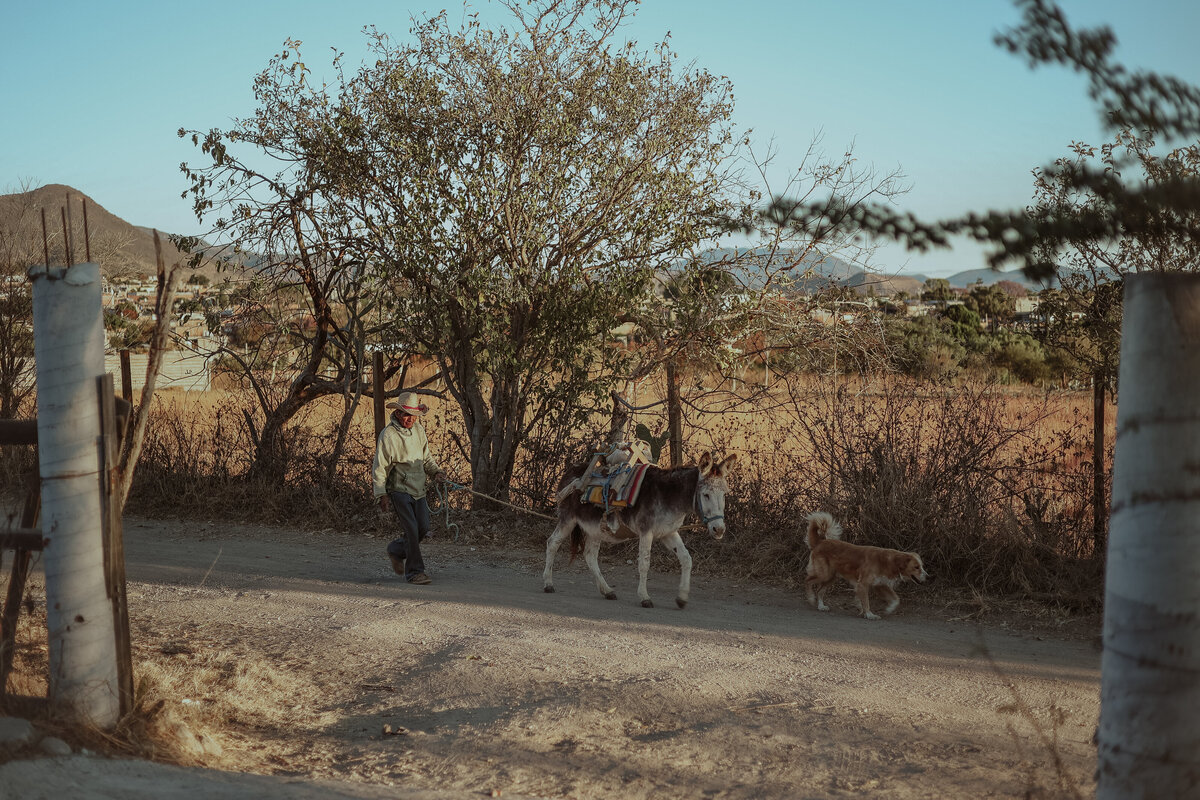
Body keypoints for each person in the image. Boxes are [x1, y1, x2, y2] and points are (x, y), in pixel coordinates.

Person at [372, 391, 446, 585]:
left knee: (422, 528)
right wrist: (381, 494)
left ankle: (396, 550)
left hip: (419, 489)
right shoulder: (388, 435)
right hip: (399, 489)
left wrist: (436, 472)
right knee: (412, 530)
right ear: (397, 413)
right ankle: (415, 572)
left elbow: (426, 458)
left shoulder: (419, 431)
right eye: (406, 414)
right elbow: (380, 466)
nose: (410, 419)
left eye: (413, 415)